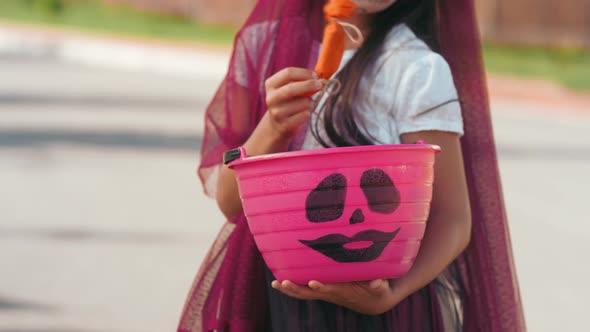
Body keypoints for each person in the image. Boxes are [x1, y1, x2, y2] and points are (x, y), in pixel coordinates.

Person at [178, 0, 526, 331]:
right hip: (272, 301)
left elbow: (453, 217)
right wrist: (273, 127)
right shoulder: (264, 45)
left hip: (383, 312)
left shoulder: (416, 69)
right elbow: (230, 202)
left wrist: (389, 295)